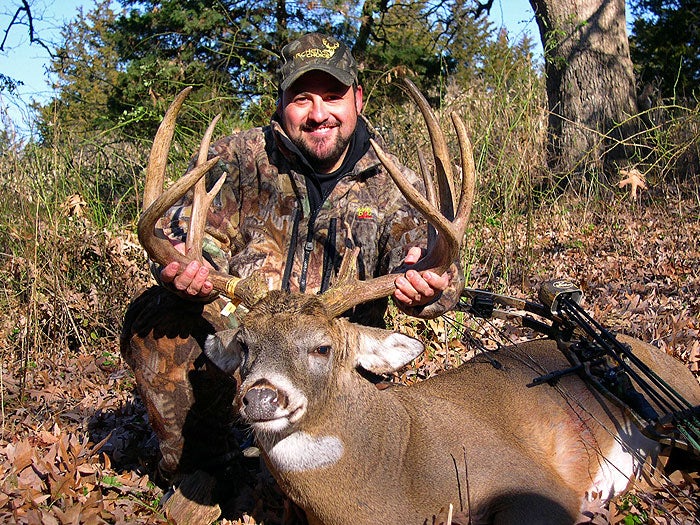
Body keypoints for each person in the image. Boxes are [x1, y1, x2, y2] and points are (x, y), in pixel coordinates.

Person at [120, 32, 463, 516]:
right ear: (281, 104)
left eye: (333, 96)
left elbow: (441, 268)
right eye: (302, 98)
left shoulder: (392, 181)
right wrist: (183, 264)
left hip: (333, 366)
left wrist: (427, 287)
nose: (318, 112)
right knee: (159, 316)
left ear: (357, 100)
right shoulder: (241, 158)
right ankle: (205, 470)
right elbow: (178, 233)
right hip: (248, 345)